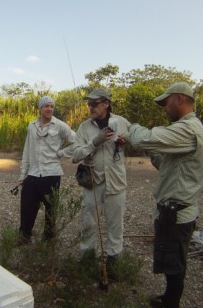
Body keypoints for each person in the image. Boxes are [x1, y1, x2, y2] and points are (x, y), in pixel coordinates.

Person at [124, 82, 203, 308]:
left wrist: (129, 127)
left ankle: (171, 303)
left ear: (179, 99)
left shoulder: (188, 129)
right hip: (173, 213)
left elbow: (144, 137)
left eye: (166, 102)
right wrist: (149, 148)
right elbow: (165, 163)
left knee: (175, 266)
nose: (164, 108)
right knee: (173, 264)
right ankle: (170, 298)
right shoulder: (188, 130)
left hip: (177, 215)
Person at [72, 88, 130, 281]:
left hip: (116, 182)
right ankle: (87, 259)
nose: (90, 107)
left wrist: (125, 141)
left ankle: (113, 263)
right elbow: (75, 155)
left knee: (115, 225)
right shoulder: (84, 127)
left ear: (106, 103)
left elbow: (137, 140)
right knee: (89, 222)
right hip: (92, 184)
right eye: (89, 104)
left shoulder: (121, 122)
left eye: (94, 103)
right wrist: (94, 143)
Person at [18, 96, 76, 244]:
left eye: (51, 106)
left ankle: (48, 241)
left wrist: (61, 154)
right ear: (40, 108)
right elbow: (26, 150)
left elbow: (77, 142)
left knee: (51, 210)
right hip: (32, 173)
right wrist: (22, 174)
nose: (49, 109)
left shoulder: (60, 125)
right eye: (46, 106)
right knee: (27, 207)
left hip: (52, 174)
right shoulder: (32, 126)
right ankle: (24, 237)